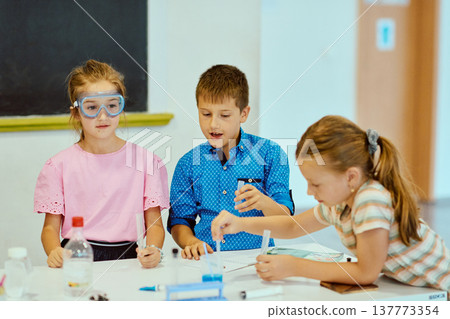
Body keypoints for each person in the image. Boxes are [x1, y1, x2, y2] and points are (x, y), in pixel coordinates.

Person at [211, 115, 450, 293]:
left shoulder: (370, 200)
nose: (308, 191)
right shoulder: (340, 202)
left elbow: (366, 272)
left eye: (316, 184)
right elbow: (294, 226)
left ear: (351, 177)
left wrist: (294, 267)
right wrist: (241, 223)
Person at [34, 59, 169, 268]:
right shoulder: (58, 166)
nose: (103, 116)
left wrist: (154, 250)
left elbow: (154, 224)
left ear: (121, 108)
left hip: (131, 258)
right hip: (77, 257)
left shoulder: (147, 162)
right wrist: (54, 252)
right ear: (76, 113)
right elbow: (50, 229)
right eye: (92, 107)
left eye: (112, 106)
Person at [168, 64, 294, 260]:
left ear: (244, 114)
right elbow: (180, 220)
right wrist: (191, 242)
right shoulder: (187, 164)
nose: (213, 124)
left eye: (224, 115)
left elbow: (286, 219)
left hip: (259, 259)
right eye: (206, 114)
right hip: (207, 261)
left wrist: (263, 202)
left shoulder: (271, 154)